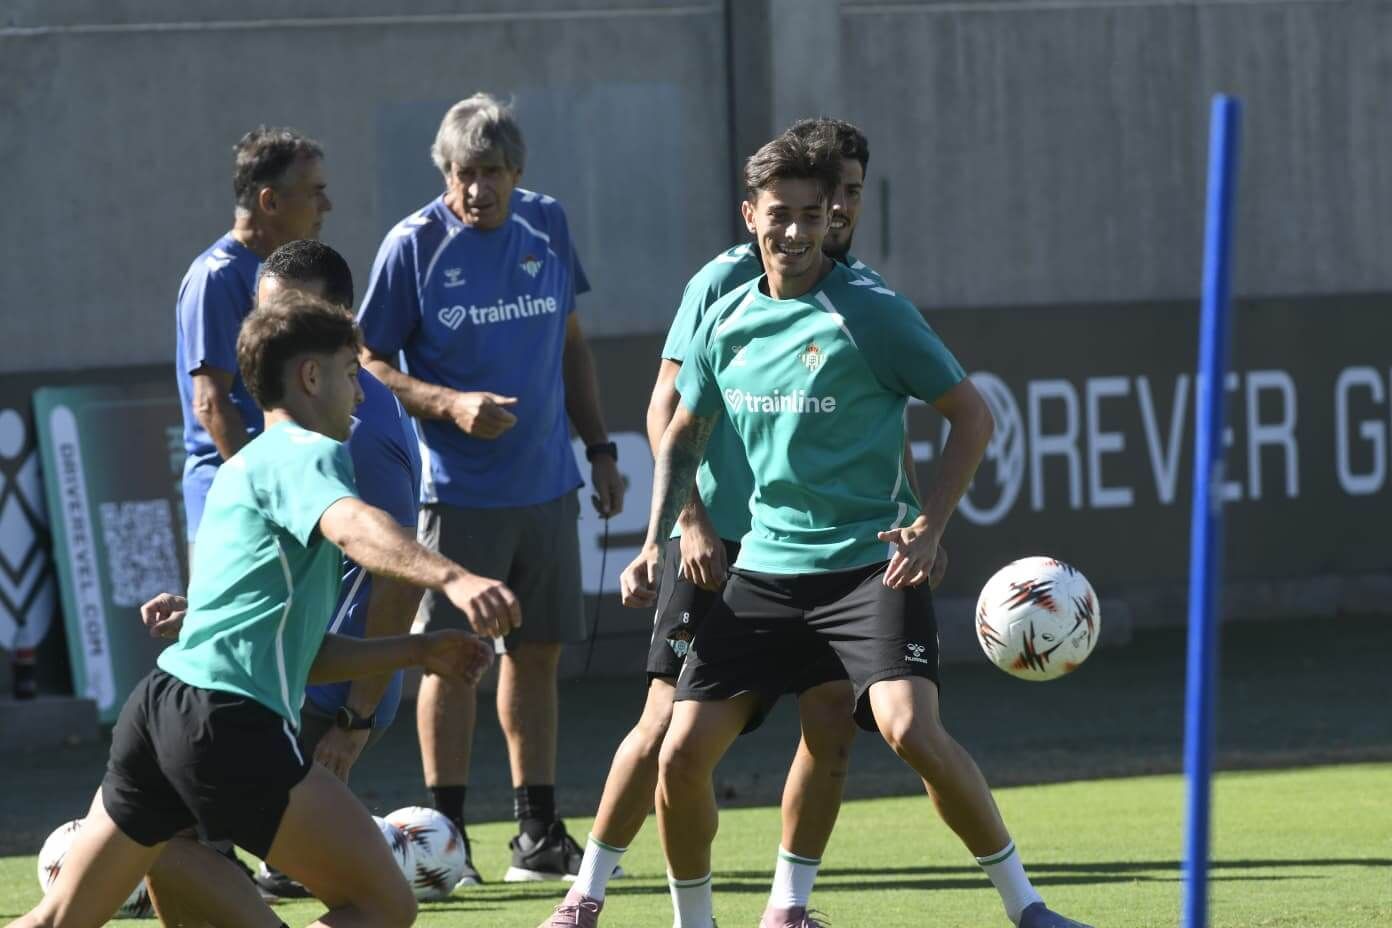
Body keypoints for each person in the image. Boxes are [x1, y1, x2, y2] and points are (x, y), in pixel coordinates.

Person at [619, 132, 1093, 928]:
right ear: (751, 216)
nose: (798, 232)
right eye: (781, 216)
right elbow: (683, 434)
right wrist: (650, 540)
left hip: (867, 568)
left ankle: (1029, 909)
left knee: (910, 731)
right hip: (764, 572)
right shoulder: (724, 315)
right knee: (678, 754)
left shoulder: (871, 312)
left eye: (814, 214)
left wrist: (929, 526)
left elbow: (970, 417)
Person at [8, 290, 511, 928]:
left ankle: (154, 847)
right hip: (229, 725)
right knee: (384, 905)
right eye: (352, 374)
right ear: (310, 376)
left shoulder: (241, 467)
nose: (359, 395)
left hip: (159, 709)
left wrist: (415, 650)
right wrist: (455, 577)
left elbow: (292, 651)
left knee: (59, 919)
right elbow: (357, 527)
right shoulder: (311, 453)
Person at [540, 118, 934, 928]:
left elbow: (887, 428)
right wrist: (687, 521)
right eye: (837, 192)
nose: (843, 208)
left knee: (830, 721)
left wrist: (918, 516)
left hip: (827, 552)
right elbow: (667, 410)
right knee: (661, 728)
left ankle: (786, 908)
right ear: (762, 209)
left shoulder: (856, 293)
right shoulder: (726, 280)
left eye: (852, 194)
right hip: (721, 542)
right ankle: (586, 895)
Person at [357, 92, 625, 882]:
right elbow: (366, 361)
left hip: (545, 485)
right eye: (465, 174)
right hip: (452, 493)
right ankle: (447, 834)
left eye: (494, 174)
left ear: (518, 172)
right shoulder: (412, 245)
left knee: (535, 655)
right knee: (452, 657)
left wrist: (601, 448)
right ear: (445, 173)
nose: (479, 190)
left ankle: (537, 834)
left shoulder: (548, 223)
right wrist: (448, 404)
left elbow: (571, 344)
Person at [175, 126, 332, 550]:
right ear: (270, 201)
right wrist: (265, 495)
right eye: (314, 192)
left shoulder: (277, 274)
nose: (326, 206)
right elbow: (211, 403)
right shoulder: (217, 277)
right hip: (239, 507)